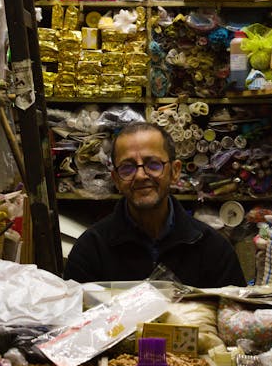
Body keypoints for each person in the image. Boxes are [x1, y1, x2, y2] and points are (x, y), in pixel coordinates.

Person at [63, 121, 246, 288]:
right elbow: (72, 319)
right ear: (116, 180)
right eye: (128, 168)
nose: (141, 176)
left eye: (153, 164)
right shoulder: (91, 249)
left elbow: (234, 318)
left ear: (175, 171)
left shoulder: (213, 250)